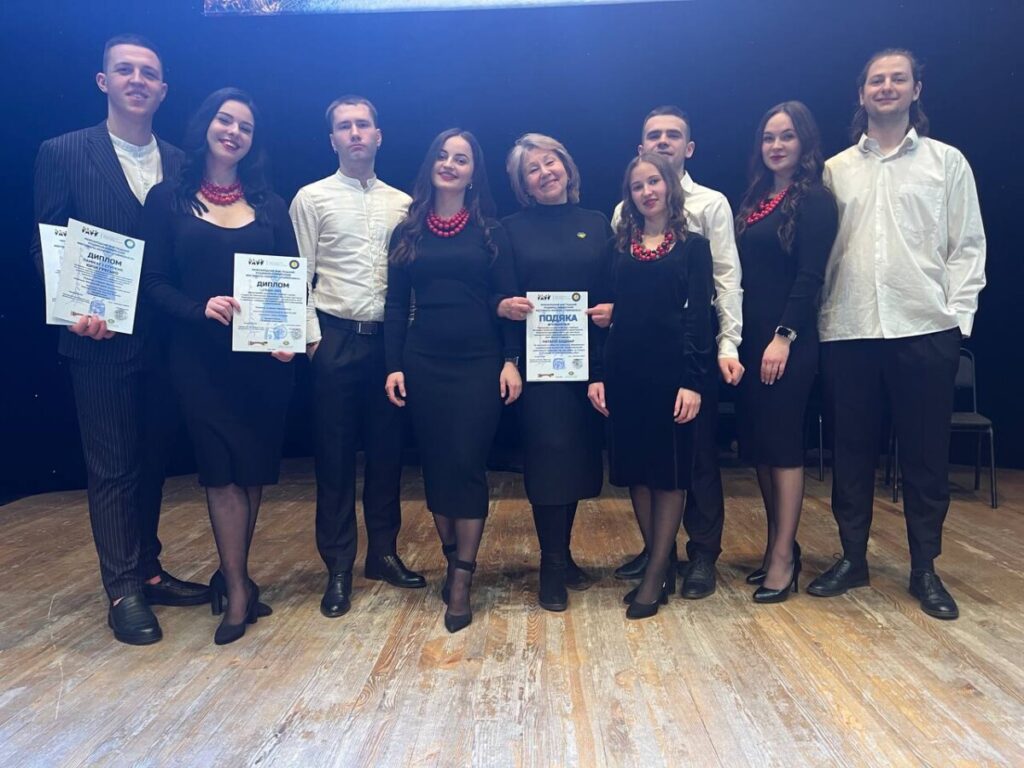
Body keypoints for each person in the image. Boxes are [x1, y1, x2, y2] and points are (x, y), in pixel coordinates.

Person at [30, 34, 207, 646]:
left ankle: (149, 571)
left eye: (148, 73)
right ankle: (123, 589)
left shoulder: (183, 163)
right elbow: (46, 242)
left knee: (154, 462)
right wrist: (72, 310)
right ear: (103, 81)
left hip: (168, 339)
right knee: (112, 467)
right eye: (124, 70)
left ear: (163, 89)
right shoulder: (63, 152)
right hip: (98, 338)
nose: (137, 80)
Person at [809, 49, 986, 620]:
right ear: (860, 94)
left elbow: (967, 246)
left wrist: (957, 319)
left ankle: (924, 568)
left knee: (926, 459)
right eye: (876, 80)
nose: (886, 87)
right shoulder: (834, 170)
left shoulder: (946, 162)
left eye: (897, 79)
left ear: (916, 90)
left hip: (924, 329)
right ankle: (852, 559)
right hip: (849, 330)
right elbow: (819, 254)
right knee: (850, 455)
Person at [140, 87, 298, 644]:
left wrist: (288, 336)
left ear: (254, 141)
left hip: (263, 363)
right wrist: (198, 308)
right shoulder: (168, 198)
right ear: (205, 124)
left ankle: (239, 578)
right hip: (199, 360)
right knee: (220, 471)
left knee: (250, 471)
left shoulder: (270, 204)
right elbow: (153, 282)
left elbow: (291, 278)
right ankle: (234, 589)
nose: (233, 132)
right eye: (225, 121)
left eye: (245, 127)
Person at [289, 96, 425, 621]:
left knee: (388, 455)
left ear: (378, 135)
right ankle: (339, 566)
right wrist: (312, 341)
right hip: (336, 338)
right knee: (335, 458)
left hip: (389, 343)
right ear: (332, 140)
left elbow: (409, 281)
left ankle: (383, 553)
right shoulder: (311, 198)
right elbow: (298, 272)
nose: (355, 133)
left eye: (363, 124)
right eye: (344, 126)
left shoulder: (403, 203)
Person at [384, 129, 522, 633]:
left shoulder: (491, 230)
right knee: (437, 467)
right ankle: (452, 558)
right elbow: (395, 305)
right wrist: (393, 365)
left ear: (473, 173)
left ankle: (462, 579)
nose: (449, 164)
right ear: (430, 165)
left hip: (480, 363)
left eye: (461, 159)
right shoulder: (407, 231)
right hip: (423, 362)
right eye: (442, 155)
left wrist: (511, 360)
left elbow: (509, 300)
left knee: (466, 464)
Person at [610, 106, 742, 598]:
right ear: (640, 146)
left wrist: (727, 345)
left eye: (672, 135)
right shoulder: (622, 219)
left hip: (687, 358)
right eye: (653, 135)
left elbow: (725, 280)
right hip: (632, 365)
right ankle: (658, 556)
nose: (662, 142)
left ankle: (701, 554)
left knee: (695, 461)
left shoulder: (709, 208)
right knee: (643, 465)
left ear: (688, 147)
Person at [589, 152, 714, 619]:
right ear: (630, 195)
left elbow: (699, 319)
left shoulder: (693, 248)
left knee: (669, 473)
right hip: (624, 373)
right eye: (638, 185)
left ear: (670, 186)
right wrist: (598, 374)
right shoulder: (617, 248)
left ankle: (657, 572)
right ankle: (659, 567)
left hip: (671, 375)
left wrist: (693, 382)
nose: (647, 191)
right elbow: (603, 313)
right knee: (637, 473)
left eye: (654, 182)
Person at [500, 133, 611, 611]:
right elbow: (503, 296)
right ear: (523, 184)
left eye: (551, 163)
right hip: (537, 367)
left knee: (579, 462)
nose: (545, 173)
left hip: (588, 365)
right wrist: (510, 356)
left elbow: (610, 289)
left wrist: (613, 311)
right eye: (533, 169)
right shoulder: (508, 229)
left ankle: (563, 558)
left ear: (567, 166)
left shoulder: (597, 223)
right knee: (547, 461)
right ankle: (550, 565)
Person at [733, 101, 838, 602]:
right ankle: (779, 545)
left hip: (786, 342)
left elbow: (810, 276)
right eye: (769, 137)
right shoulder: (756, 198)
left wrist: (784, 335)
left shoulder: (813, 199)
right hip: (751, 340)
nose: (776, 145)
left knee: (783, 446)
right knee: (760, 447)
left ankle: (782, 559)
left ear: (805, 142)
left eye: (787, 136)